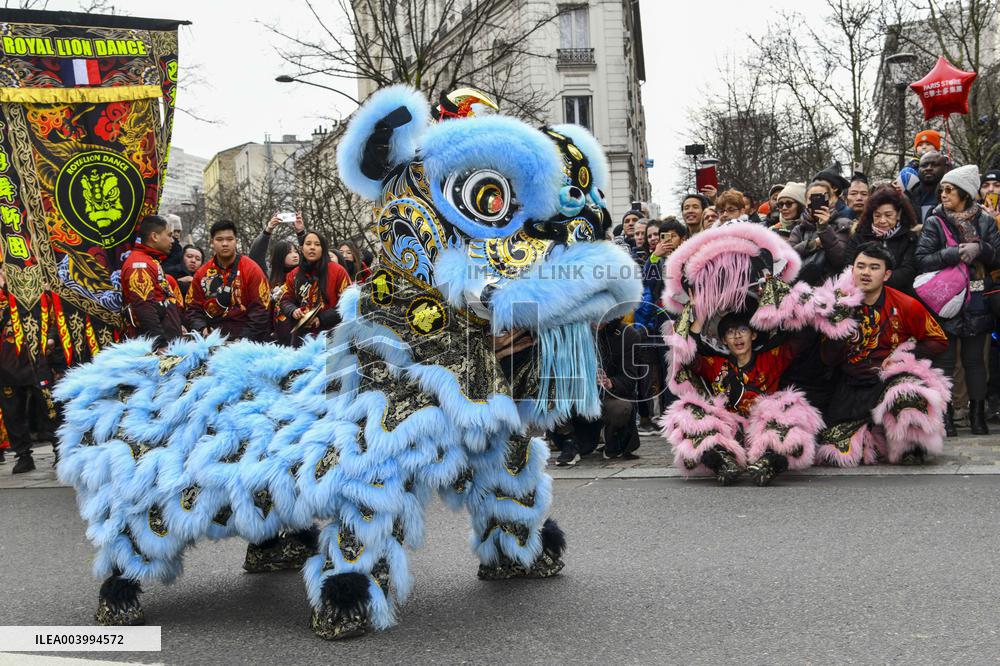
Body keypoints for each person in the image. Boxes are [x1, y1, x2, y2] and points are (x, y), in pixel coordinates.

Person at [817, 243, 949, 465]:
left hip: (889, 380)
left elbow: (939, 340)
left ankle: (910, 445)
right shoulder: (837, 303)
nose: (866, 272)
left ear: (886, 274)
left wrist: (903, 355)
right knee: (838, 449)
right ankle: (877, 435)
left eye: (874, 267)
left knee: (908, 392)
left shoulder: (907, 305)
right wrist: (838, 326)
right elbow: (826, 359)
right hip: (851, 385)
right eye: (860, 266)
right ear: (852, 269)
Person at [916, 164, 1000, 435]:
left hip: (977, 296)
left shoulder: (985, 221)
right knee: (946, 361)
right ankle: (947, 416)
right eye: (942, 189)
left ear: (964, 192)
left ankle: (977, 416)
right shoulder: (934, 221)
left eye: (949, 189)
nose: (943, 194)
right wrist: (952, 253)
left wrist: (982, 249)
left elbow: (997, 256)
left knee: (976, 360)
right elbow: (922, 259)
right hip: (947, 299)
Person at [187, 220, 272, 342]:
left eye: (229, 239)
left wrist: (242, 340)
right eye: (219, 239)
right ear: (212, 242)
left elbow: (261, 310)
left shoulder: (252, 269)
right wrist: (201, 328)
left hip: (246, 341)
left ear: (236, 241)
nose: (225, 243)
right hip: (212, 340)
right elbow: (193, 308)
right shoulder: (201, 274)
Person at [120, 215, 184, 352]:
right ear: (154, 236)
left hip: (169, 344)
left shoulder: (151, 261)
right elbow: (144, 308)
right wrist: (160, 344)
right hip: (154, 351)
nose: (172, 240)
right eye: (169, 235)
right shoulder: (139, 265)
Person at [278, 230, 351, 346]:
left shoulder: (338, 271)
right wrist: (293, 311)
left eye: (317, 245)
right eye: (308, 244)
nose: (312, 248)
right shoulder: (293, 274)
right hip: (301, 338)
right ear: (302, 248)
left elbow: (348, 306)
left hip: (333, 336)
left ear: (323, 249)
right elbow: (285, 300)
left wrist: (321, 318)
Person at [844, 187, 919, 295]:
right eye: (877, 215)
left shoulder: (909, 238)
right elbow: (849, 265)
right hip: (862, 293)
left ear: (898, 214)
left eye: (888, 215)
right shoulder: (859, 236)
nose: (882, 221)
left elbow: (908, 270)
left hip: (899, 294)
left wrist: (877, 283)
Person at [788, 180, 850, 285]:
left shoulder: (842, 224)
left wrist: (824, 228)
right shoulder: (799, 228)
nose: (817, 201)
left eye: (821, 197)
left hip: (831, 290)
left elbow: (839, 259)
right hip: (802, 289)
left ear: (830, 200)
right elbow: (788, 257)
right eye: (812, 198)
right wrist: (814, 244)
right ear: (806, 202)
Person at [267, 240, 300, 345]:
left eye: (296, 251)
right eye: (289, 252)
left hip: (297, 331)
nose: (295, 255)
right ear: (280, 256)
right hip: (278, 335)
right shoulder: (272, 280)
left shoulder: (302, 276)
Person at [907, 150, 950, 222]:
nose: (928, 168)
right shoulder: (908, 196)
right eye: (924, 165)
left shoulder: (952, 196)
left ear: (946, 168)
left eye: (935, 165)